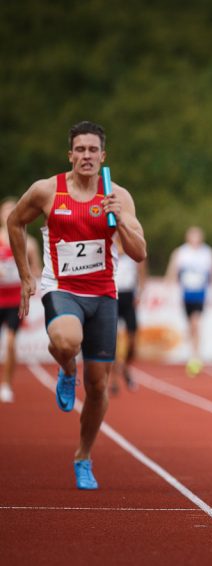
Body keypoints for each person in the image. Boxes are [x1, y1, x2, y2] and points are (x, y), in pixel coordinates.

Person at [6, 121, 147, 489]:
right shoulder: (47, 190)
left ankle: (83, 456)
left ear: (104, 155)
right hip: (61, 287)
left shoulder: (118, 195)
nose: (86, 156)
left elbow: (139, 252)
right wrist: (25, 275)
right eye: (80, 150)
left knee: (99, 387)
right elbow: (14, 221)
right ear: (70, 154)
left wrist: (122, 222)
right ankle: (67, 368)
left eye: (93, 150)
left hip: (103, 294)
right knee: (67, 341)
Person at [1, 199, 42, 403]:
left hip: (13, 300)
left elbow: (37, 270)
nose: (9, 214)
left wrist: (25, 273)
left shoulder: (30, 243)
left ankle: (6, 384)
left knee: (9, 343)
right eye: (5, 211)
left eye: (12, 210)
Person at [165, 225, 212, 376]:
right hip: (186, 293)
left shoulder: (208, 253)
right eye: (193, 236)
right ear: (187, 237)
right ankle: (192, 351)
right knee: (190, 325)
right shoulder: (181, 252)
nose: (195, 239)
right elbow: (172, 271)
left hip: (200, 293)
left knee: (196, 323)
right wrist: (168, 288)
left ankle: (195, 357)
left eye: (198, 236)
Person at [110, 235, 146, 394]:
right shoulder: (108, 247)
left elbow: (143, 272)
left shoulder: (133, 248)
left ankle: (126, 368)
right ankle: (113, 379)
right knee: (112, 341)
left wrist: (140, 293)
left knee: (132, 340)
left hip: (128, 297)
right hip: (112, 296)